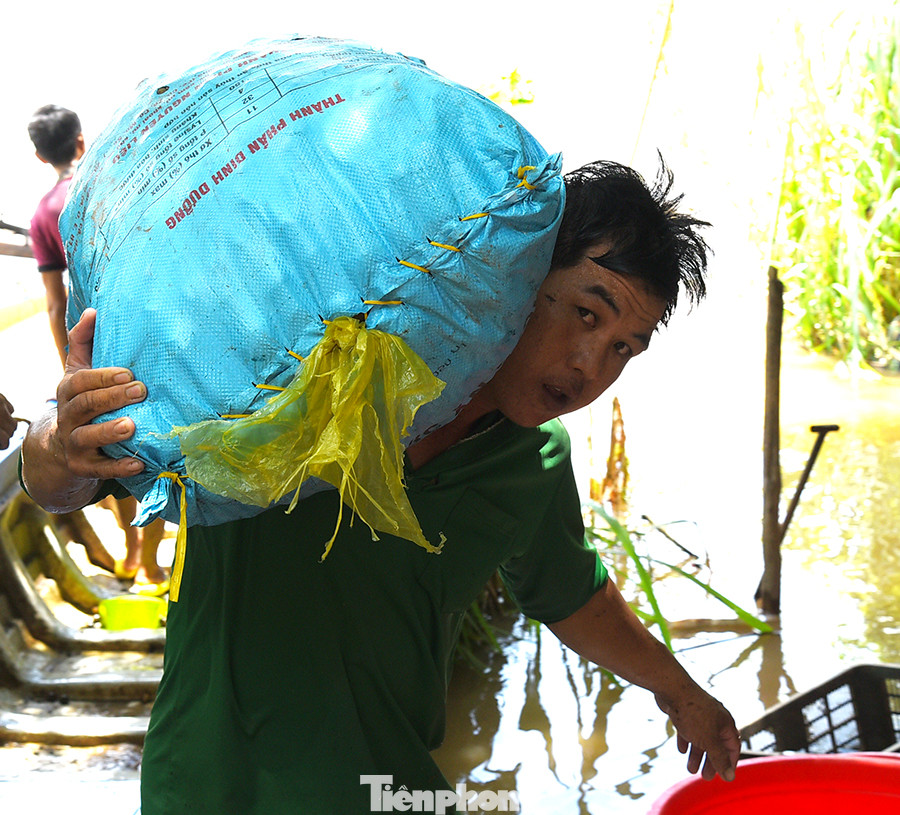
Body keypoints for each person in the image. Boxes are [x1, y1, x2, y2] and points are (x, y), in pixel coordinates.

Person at [21, 158, 740, 814]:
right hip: (214, 785)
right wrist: (60, 441)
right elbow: (59, 486)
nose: (591, 366)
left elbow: (570, 592)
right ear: (522, 272)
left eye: (623, 348)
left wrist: (680, 691)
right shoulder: (307, 370)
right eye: (587, 313)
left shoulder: (531, 463)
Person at [27, 104, 168, 593]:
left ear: (41, 156)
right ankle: (151, 561)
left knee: (102, 446)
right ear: (81, 143)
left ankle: (129, 554)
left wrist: (67, 369)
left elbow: (54, 301)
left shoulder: (44, 213)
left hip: (85, 350)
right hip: (134, 341)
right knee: (145, 446)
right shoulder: (106, 187)